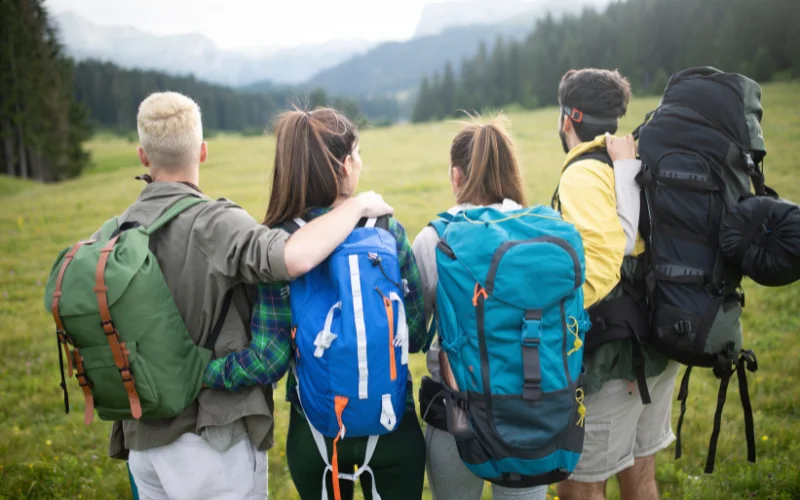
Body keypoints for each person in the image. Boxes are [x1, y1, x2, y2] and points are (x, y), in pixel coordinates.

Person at [112, 92, 393, 500]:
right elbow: (291, 256)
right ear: (203, 151)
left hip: (141, 445)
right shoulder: (217, 224)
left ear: (143, 156)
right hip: (209, 442)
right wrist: (358, 205)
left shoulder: (117, 231)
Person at [228, 107, 428, 500]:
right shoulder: (388, 230)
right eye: (358, 154)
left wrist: (206, 370)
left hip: (316, 432)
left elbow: (270, 358)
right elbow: (416, 334)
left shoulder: (280, 245)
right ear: (346, 165)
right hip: (392, 423)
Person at [552, 69, 680, 500]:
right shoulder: (633, 160)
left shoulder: (582, 174)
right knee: (639, 475)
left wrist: (557, 312)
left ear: (568, 119)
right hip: (657, 340)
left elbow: (608, 256)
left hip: (616, 358)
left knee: (578, 487)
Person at [412, 115, 548, 500]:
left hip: (457, 407)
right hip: (531, 404)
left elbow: (416, 332)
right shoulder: (540, 229)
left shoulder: (435, 238)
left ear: (457, 176)